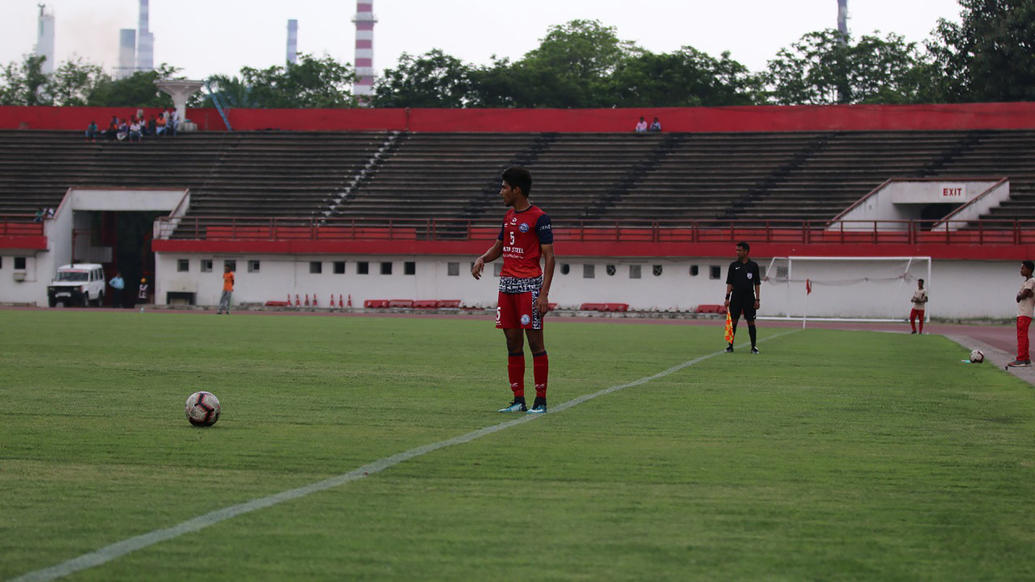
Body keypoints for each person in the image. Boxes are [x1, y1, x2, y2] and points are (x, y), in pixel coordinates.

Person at [472, 166, 555, 414]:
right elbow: (499, 246)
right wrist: (482, 259)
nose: (501, 192)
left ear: (516, 190)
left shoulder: (540, 218)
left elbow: (549, 258)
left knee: (535, 343)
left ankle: (540, 400)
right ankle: (518, 399)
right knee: (512, 342)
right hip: (506, 285)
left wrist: (544, 294)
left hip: (529, 286)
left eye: (504, 187)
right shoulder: (508, 217)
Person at [724, 241, 761, 354]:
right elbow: (729, 282)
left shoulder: (753, 266)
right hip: (736, 297)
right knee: (733, 321)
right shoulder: (733, 266)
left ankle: (753, 347)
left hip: (749, 297)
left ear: (746, 251)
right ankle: (730, 346)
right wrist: (727, 298)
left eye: (739, 250)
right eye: (736, 250)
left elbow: (757, 283)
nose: (737, 252)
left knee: (751, 321)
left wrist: (757, 299)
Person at [1007, 260, 1035, 368]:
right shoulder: (1026, 282)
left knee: (1021, 336)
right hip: (1023, 312)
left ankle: (1021, 359)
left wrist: (1020, 295)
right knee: (1023, 336)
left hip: (1025, 312)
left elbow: (1023, 295)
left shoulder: (1031, 281)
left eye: (1022, 268)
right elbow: (1025, 294)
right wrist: (1021, 295)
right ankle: (1026, 358)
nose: (1021, 270)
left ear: (1028, 269)